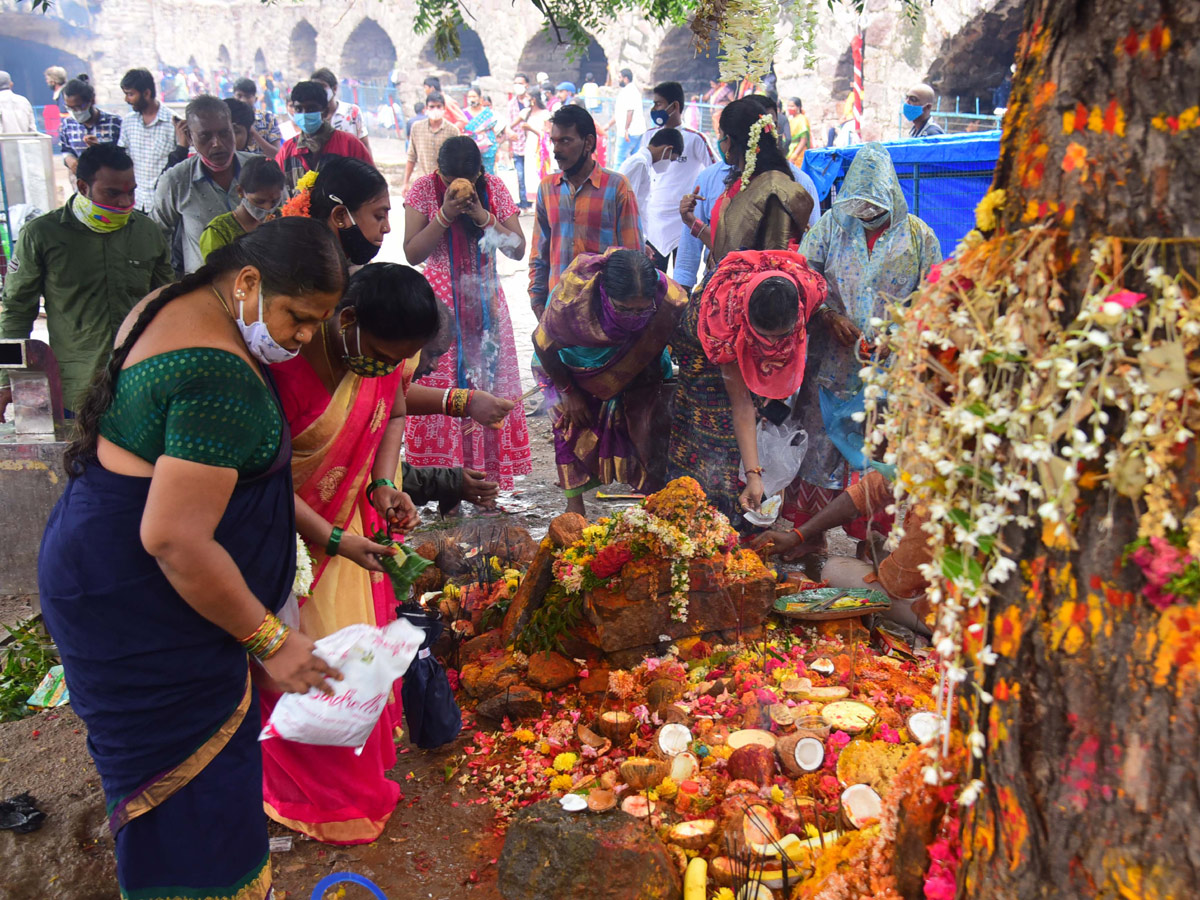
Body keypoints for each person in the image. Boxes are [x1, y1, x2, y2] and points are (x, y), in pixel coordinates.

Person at [37, 217, 348, 898]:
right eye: (298, 317)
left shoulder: (173, 303)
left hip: (108, 572)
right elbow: (174, 539)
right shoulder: (221, 377)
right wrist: (270, 640)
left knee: (185, 787)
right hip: (144, 601)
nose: (300, 339)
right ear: (245, 282)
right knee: (190, 798)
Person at [262, 263, 436, 844]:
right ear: (348, 320)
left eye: (402, 359)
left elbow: (395, 412)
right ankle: (315, 798)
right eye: (385, 355)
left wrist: (384, 486)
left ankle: (357, 776)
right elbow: (262, 481)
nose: (391, 368)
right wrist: (334, 539)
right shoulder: (279, 369)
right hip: (293, 544)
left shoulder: (389, 358)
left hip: (353, 535)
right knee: (317, 672)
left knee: (358, 666)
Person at [785, 142, 941, 535]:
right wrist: (827, 315)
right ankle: (808, 538)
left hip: (887, 372)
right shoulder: (831, 227)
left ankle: (869, 545)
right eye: (860, 206)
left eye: (874, 206)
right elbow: (803, 279)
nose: (867, 214)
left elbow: (934, 298)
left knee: (877, 452)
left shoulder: (920, 238)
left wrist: (900, 333)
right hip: (830, 363)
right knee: (818, 450)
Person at [0, 144, 173, 419]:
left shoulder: (147, 232)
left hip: (142, 385)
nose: (124, 202)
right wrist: (6, 380)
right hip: (77, 392)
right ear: (82, 186)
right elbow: (16, 311)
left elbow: (168, 307)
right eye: (113, 193)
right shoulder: (42, 235)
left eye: (131, 191)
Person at [403, 136, 532, 488]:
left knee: (486, 386)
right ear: (438, 173)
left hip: (485, 305)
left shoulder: (493, 188)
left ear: (479, 173)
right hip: (439, 311)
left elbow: (518, 250)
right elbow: (413, 253)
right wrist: (444, 215)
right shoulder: (423, 190)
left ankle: (485, 484)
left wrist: (481, 215)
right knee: (440, 387)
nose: (454, 187)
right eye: (447, 180)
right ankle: (445, 484)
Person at [667, 250, 826, 520]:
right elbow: (740, 404)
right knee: (716, 428)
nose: (773, 346)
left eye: (780, 339)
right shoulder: (723, 328)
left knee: (763, 414)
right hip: (703, 354)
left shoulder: (806, 291)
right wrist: (754, 476)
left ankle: (744, 508)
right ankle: (710, 512)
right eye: (764, 339)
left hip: (753, 316)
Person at [535, 249, 688, 514]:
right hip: (572, 369)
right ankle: (575, 510)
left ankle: (652, 508)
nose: (635, 318)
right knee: (572, 429)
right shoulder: (572, 301)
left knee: (648, 432)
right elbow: (542, 346)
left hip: (642, 365)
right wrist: (569, 393)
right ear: (604, 294)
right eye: (624, 309)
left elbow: (682, 336)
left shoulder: (668, 298)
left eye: (643, 310)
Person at [750, 468, 932, 636]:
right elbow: (868, 491)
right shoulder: (934, 458)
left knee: (835, 569)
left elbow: (898, 581)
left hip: (947, 614)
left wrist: (879, 551)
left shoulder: (934, 504)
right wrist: (797, 536)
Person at [676, 96, 813, 278]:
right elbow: (727, 248)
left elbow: (774, 263)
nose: (720, 142)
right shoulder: (740, 183)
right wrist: (692, 222)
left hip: (758, 296)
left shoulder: (774, 190)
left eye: (720, 135)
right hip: (733, 288)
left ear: (730, 141)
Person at [529, 105, 643, 318]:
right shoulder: (547, 188)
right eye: (554, 141)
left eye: (565, 141)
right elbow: (539, 252)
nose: (556, 150)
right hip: (558, 308)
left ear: (588, 142)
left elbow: (633, 256)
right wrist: (537, 301)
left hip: (603, 311)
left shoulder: (617, 187)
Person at [153, 95, 256, 273]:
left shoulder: (259, 169)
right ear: (190, 138)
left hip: (261, 286)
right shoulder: (175, 181)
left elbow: (285, 222)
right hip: (205, 292)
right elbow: (157, 239)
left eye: (224, 133)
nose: (217, 144)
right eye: (205, 136)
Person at [638, 81, 716, 272]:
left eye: (658, 104)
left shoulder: (694, 138)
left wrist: (703, 204)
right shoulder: (648, 137)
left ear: (675, 106)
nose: (654, 109)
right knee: (653, 282)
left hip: (683, 223)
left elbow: (715, 171)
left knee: (683, 279)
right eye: (653, 104)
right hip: (654, 221)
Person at [276, 80, 372, 191]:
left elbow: (371, 186)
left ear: (325, 111)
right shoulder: (287, 151)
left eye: (311, 109)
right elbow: (277, 191)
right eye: (299, 109)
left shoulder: (349, 144)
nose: (304, 114)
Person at [117, 68, 179, 212]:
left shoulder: (173, 123)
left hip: (166, 205)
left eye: (130, 94)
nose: (127, 100)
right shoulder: (128, 123)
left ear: (146, 93)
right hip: (136, 203)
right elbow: (123, 159)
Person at [199, 155, 285, 259]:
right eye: (259, 201)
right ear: (240, 191)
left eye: (275, 201)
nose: (267, 208)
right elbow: (216, 273)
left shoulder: (285, 217)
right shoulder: (218, 232)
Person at [60, 75, 122, 174]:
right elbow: (66, 149)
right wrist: (70, 160)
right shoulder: (68, 124)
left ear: (92, 101)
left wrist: (101, 148)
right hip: (81, 185)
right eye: (70, 108)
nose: (75, 112)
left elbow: (125, 156)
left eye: (79, 107)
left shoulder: (115, 123)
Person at [618, 127, 682, 223]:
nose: (669, 164)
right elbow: (626, 203)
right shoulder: (639, 163)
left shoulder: (644, 164)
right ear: (668, 150)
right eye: (671, 160)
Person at [402, 91, 460, 195]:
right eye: (432, 107)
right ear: (426, 108)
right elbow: (411, 157)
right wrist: (405, 182)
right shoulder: (417, 128)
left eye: (438, 106)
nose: (435, 110)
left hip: (445, 186)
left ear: (444, 108)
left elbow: (457, 161)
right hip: (422, 183)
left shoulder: (453, 130)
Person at [310, 67, 370, 152]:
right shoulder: (310, 116)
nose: (319, 91)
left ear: (334, 89)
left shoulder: (352, 111)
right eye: (315, 88)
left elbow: (365, 145)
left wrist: (370, 165)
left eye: (322, 87)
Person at [233, 77, 282, 155]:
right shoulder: (229, 119)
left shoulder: (268, 118)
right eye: (239, 96)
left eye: (247, 96)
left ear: (255, 99)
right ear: (233, 97)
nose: (243, 100)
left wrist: (254, 133)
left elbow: (277, 154)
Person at [505, 74, 533, 209]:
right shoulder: (511, 104)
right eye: (515, 83)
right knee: (520, 176)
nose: (518, 86)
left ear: (527, 85)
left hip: (533, 145)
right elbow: (509, 127)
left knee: (532, 175)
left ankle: (533, 202)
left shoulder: (533, 102)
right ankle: (524, 203)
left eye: (520, 83)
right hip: (518, 144)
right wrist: (509, 147)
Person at [612, 68, 647, 168]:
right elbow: (620, 113)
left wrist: (626, 130)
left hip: (628, 133)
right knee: (635, 161)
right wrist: (608, 125)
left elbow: (630, 112)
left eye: (620, 77)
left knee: (619, 161)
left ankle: (615, 183)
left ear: (626, 79)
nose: (618, 80)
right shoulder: (632, 90)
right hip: (637, 131)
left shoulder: (629, 91)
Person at [462, 85, 500, 174]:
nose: (472, 99)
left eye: (474, 96)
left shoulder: (487, 113)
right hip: (470, 149)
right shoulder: (464, 113)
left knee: (488, 174)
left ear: (480, 98)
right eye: (469, 97)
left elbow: (493, 131)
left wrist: (497, 151)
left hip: (488, 149)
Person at [785, 97, 811, 165]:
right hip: (789, 150)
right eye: (788, 106)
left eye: (792, 106)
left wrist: (794, 155)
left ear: (798, 107)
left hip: (799, 152)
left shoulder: (802, 119)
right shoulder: (790, 119)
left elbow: (803, 140)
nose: (789, 108)